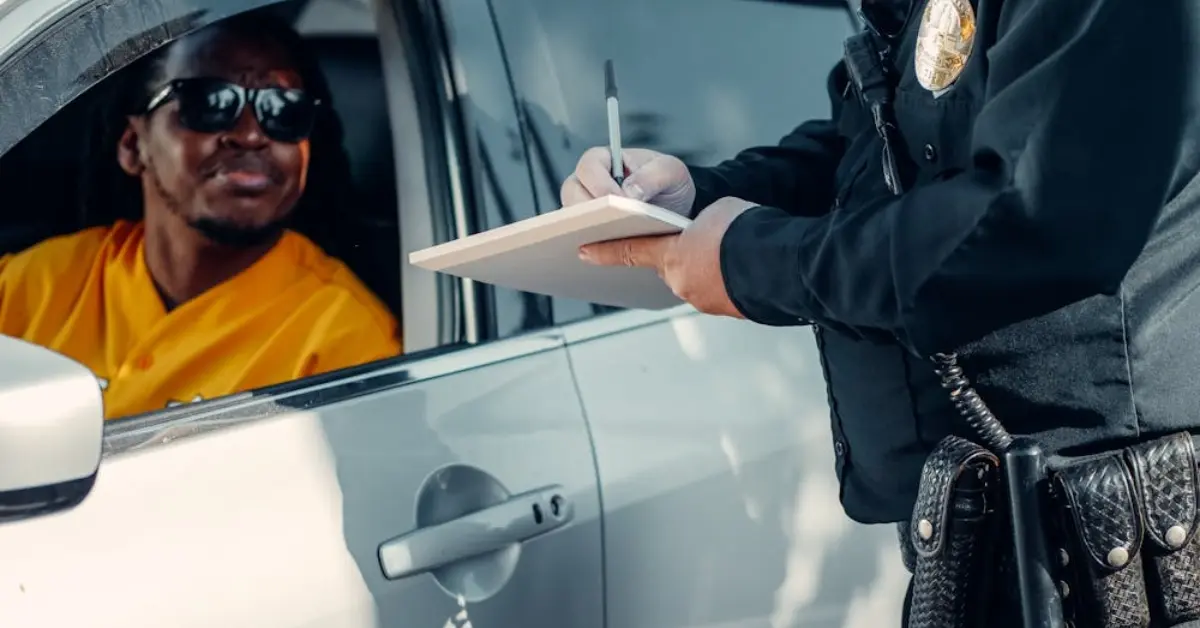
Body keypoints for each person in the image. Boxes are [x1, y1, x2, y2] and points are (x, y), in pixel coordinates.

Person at [563, 0, 1195, 624]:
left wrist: (755, 261)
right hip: (975, 555)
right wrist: (696, 198)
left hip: (1119, 563)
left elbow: (1032, 218)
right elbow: (881, 153)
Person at [0, 11, 402, 420]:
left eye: (284, 109)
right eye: (208, 102)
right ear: (133, 146)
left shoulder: (343, 337)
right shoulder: (30, 286)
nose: (249, 135)